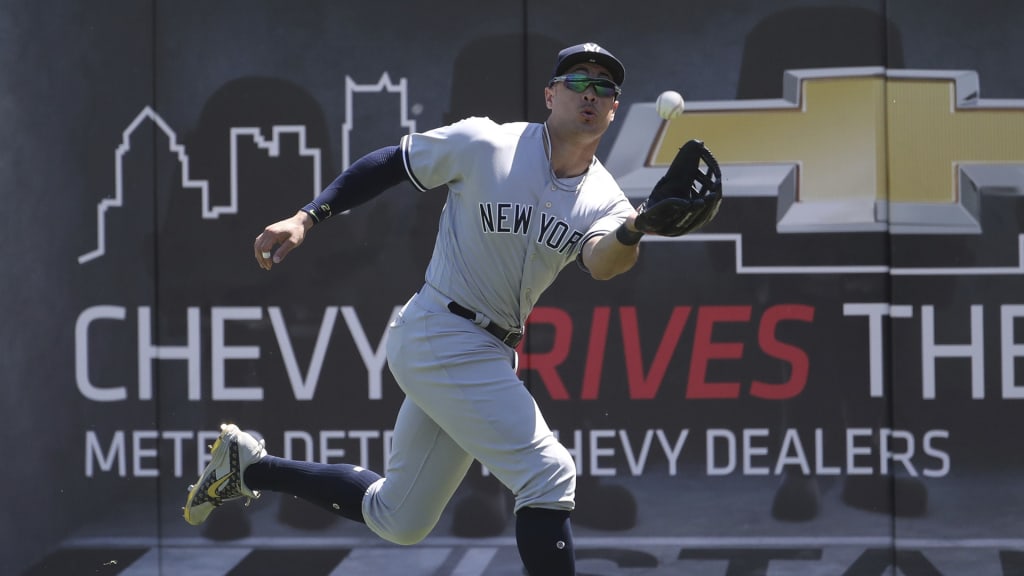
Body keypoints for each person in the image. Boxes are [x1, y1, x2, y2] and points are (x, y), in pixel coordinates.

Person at [183, 42, 646, 575]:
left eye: (604, 87)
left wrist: (636, 228)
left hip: (488, 350)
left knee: (398, 517)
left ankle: (249, 469)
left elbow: (605, 261)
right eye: (576, 81)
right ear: (550, 94)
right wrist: (307, 218)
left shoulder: (608, 198)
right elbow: (390, 162)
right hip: (441, 329)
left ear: (614, 108)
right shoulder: (486, 143)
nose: (590, 93)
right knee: (549, 473)